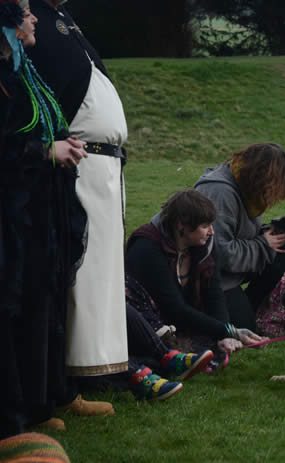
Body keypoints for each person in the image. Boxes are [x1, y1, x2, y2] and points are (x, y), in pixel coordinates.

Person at [25, 0, 129, 413]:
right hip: (75, 162)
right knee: (76, 276)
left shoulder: (62, 19)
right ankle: (68, 379)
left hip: (103, 166)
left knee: (101, 276)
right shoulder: (35, 19)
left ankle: (96, 368)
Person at [0, 0, 89, 437]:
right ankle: (14, 419)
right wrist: (44, 150)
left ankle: (44, 401)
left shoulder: (20, 73)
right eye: (24, 12)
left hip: (37, 209)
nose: (34, 18)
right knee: (16, 307)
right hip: (12, 217)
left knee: (43, 300)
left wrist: (62, 144)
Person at [125, 189, 266, 375]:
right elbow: (174, 308)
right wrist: (228, 331)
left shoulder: (204, 244)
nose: (211, 231)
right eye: (205, 226)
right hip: (151, 320)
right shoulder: (147, 247)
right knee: (163, 351)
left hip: (180, 318)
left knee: (219, 338)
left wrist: (224, 334)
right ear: (181, 226)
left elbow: (214, 291)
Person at [194, 143, 285, 330]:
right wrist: (263, 244)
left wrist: (268, 233)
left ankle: (252, 305)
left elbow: (242, 232)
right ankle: (241, 310)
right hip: (211, 278)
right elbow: (219, 253)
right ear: (261, 179)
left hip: (232, 269)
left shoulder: (247, 187)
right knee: (244, 328)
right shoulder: (220, 192)